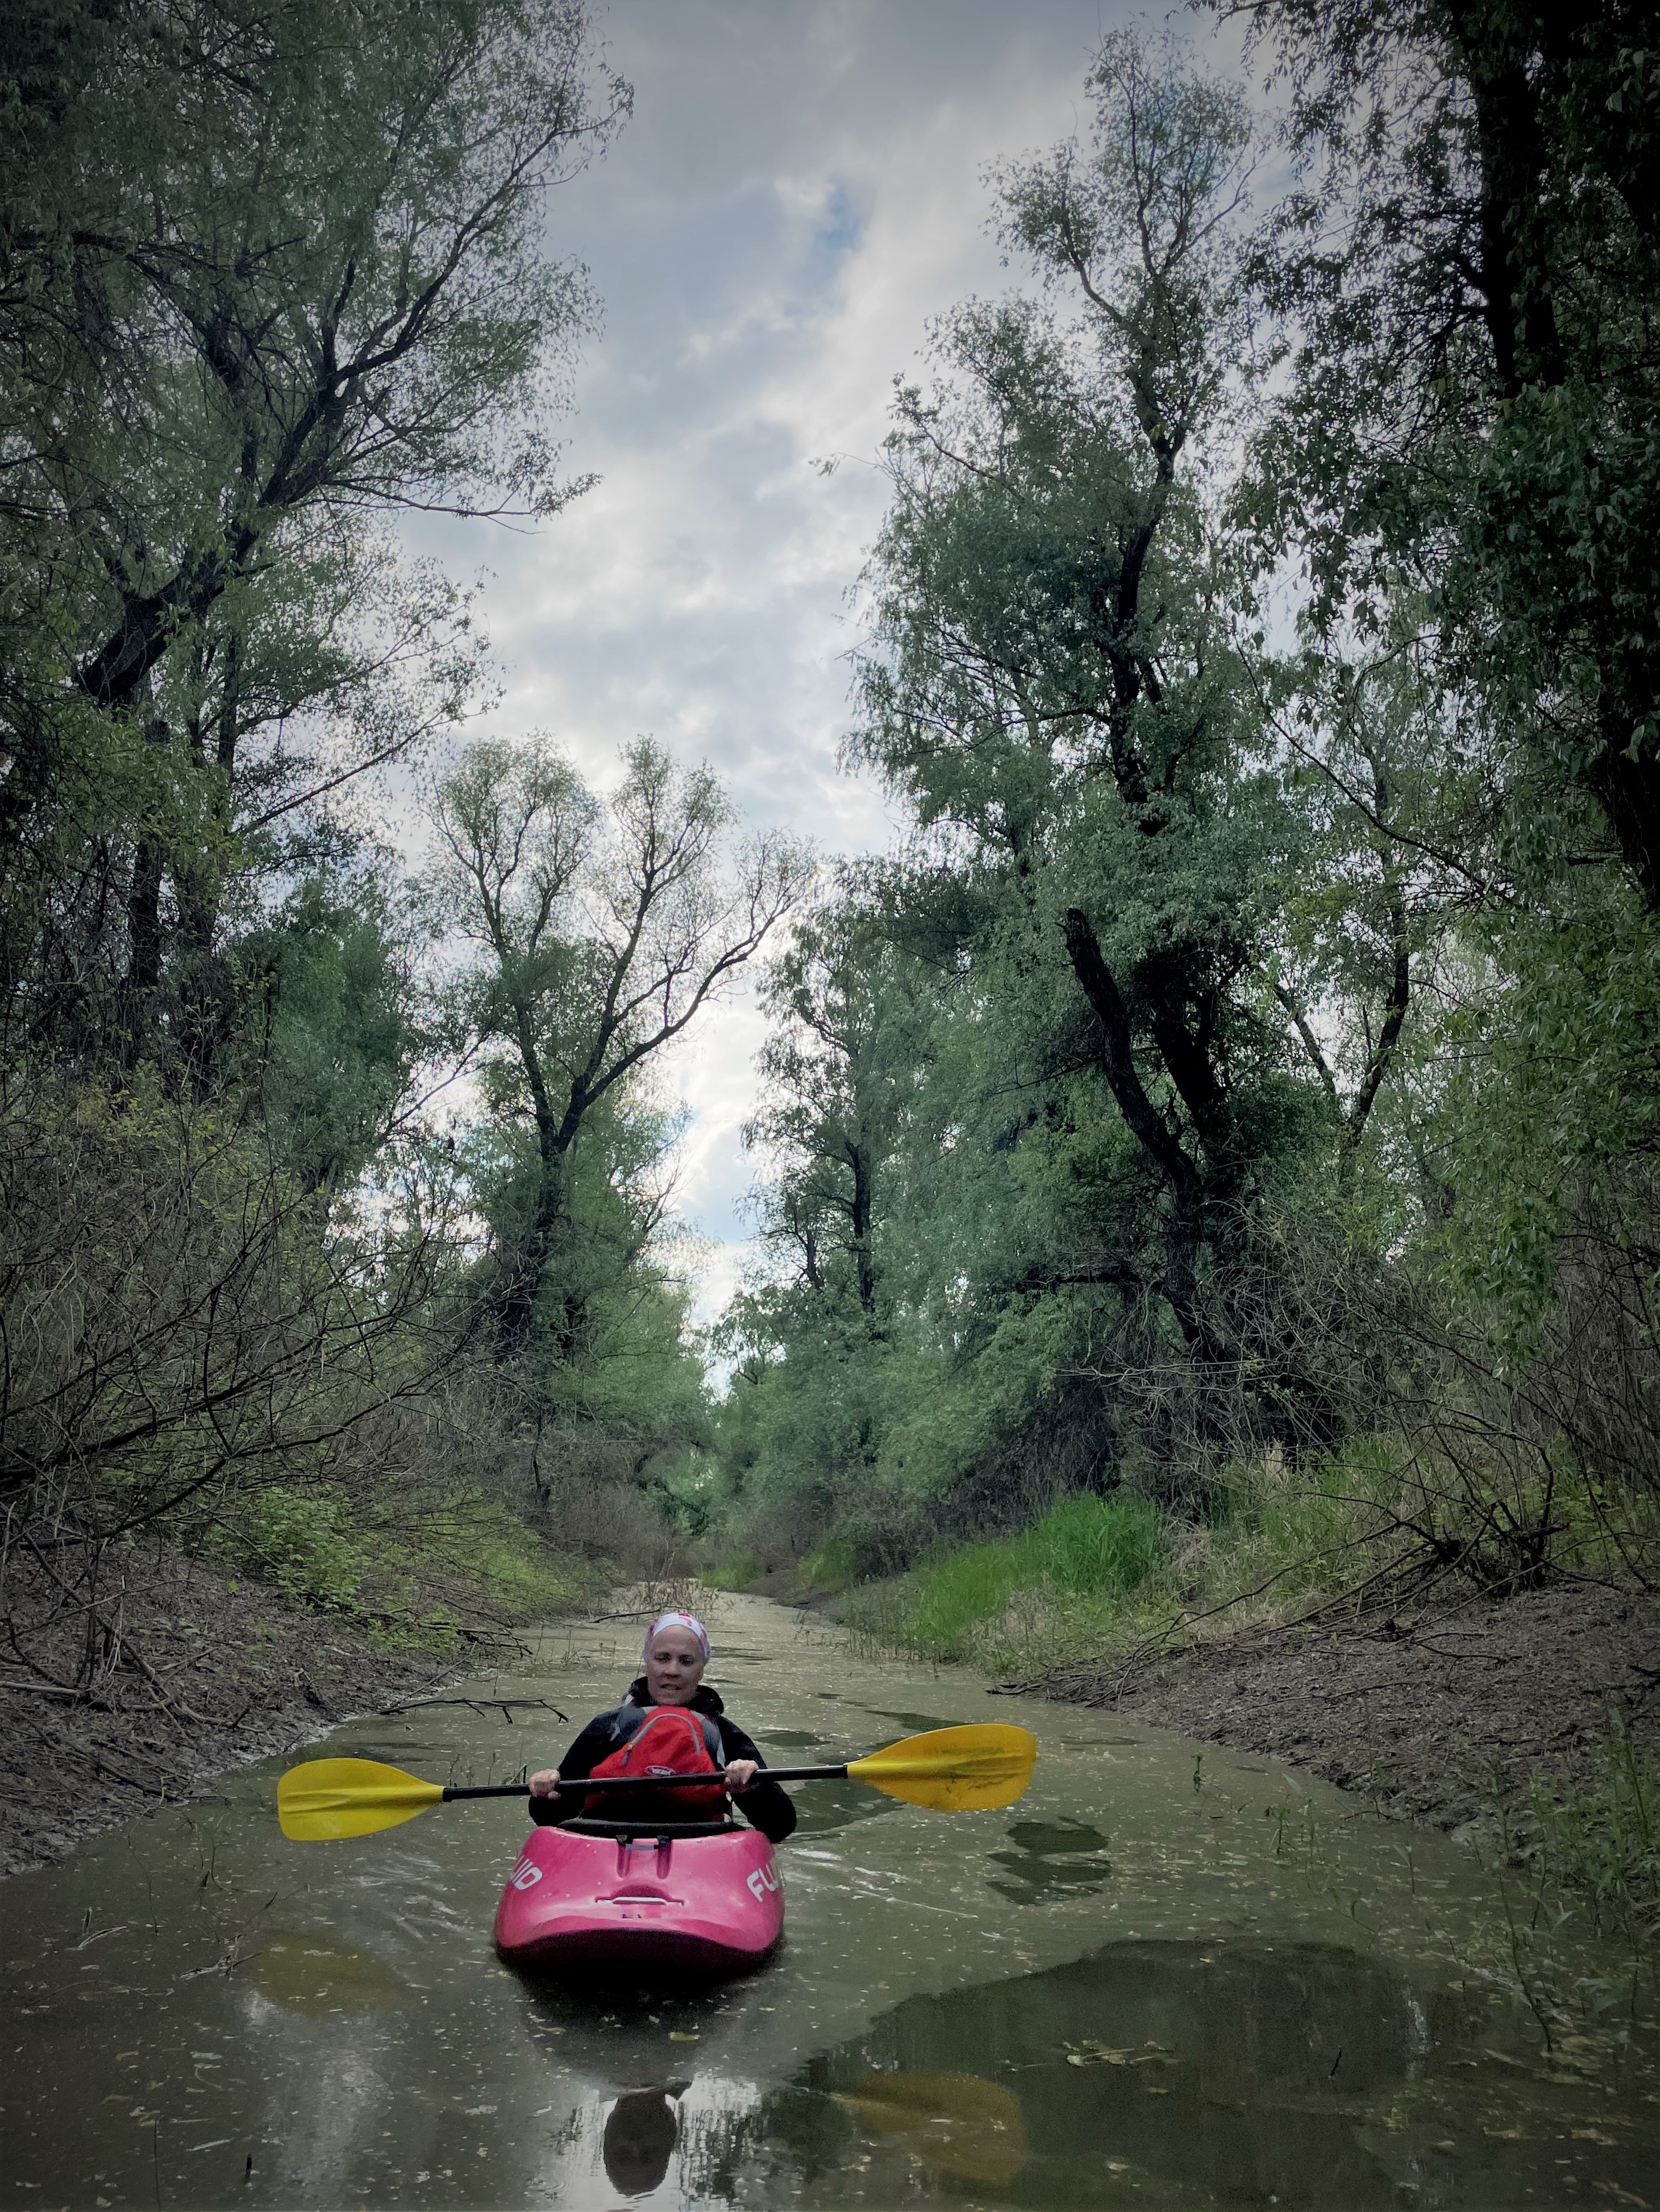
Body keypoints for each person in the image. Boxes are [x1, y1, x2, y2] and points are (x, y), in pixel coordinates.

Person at [527, 1611, 797, 1842]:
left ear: (702, 1670)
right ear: (647, 1662)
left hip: (700, 1854)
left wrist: (753, 1790)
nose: (672, 1671)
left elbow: (780, 1827)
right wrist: (543, 1793)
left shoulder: (724, 1735)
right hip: (603, 1847)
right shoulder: (607, 1728)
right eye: (663, 1658)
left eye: (686, 1661)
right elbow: (551, 1818)